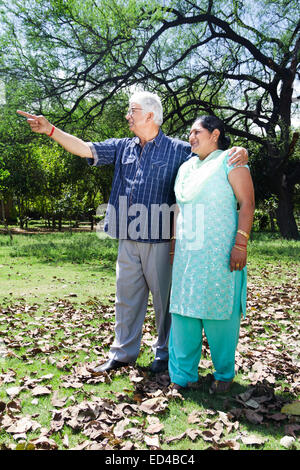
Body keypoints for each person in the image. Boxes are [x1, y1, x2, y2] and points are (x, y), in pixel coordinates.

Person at [17, 92, 248, 375]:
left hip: (162, 239)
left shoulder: (178, 149)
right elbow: (85, 148)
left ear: (150, 116)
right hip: (127, 237)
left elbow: (212, 156)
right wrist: (51, 130)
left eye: (132, 111)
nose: (127, 116)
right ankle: (123, 353)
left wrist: (238, 150)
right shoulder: (122, 147)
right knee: (125, 299)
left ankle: (164, 355)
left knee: (165, 303)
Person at [168, 115, 255, 393]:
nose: (191, 137)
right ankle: (183, 375)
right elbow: (179, 207)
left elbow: (247, 202)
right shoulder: (185, 167)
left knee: (219, 311)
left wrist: (240, 243)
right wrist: (173, 243)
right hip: (187, 253)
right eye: (189, 133)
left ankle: (224, 373)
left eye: (196, 132)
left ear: (215, 134)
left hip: (220, 251)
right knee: (184, 312)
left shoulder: (231, 160)